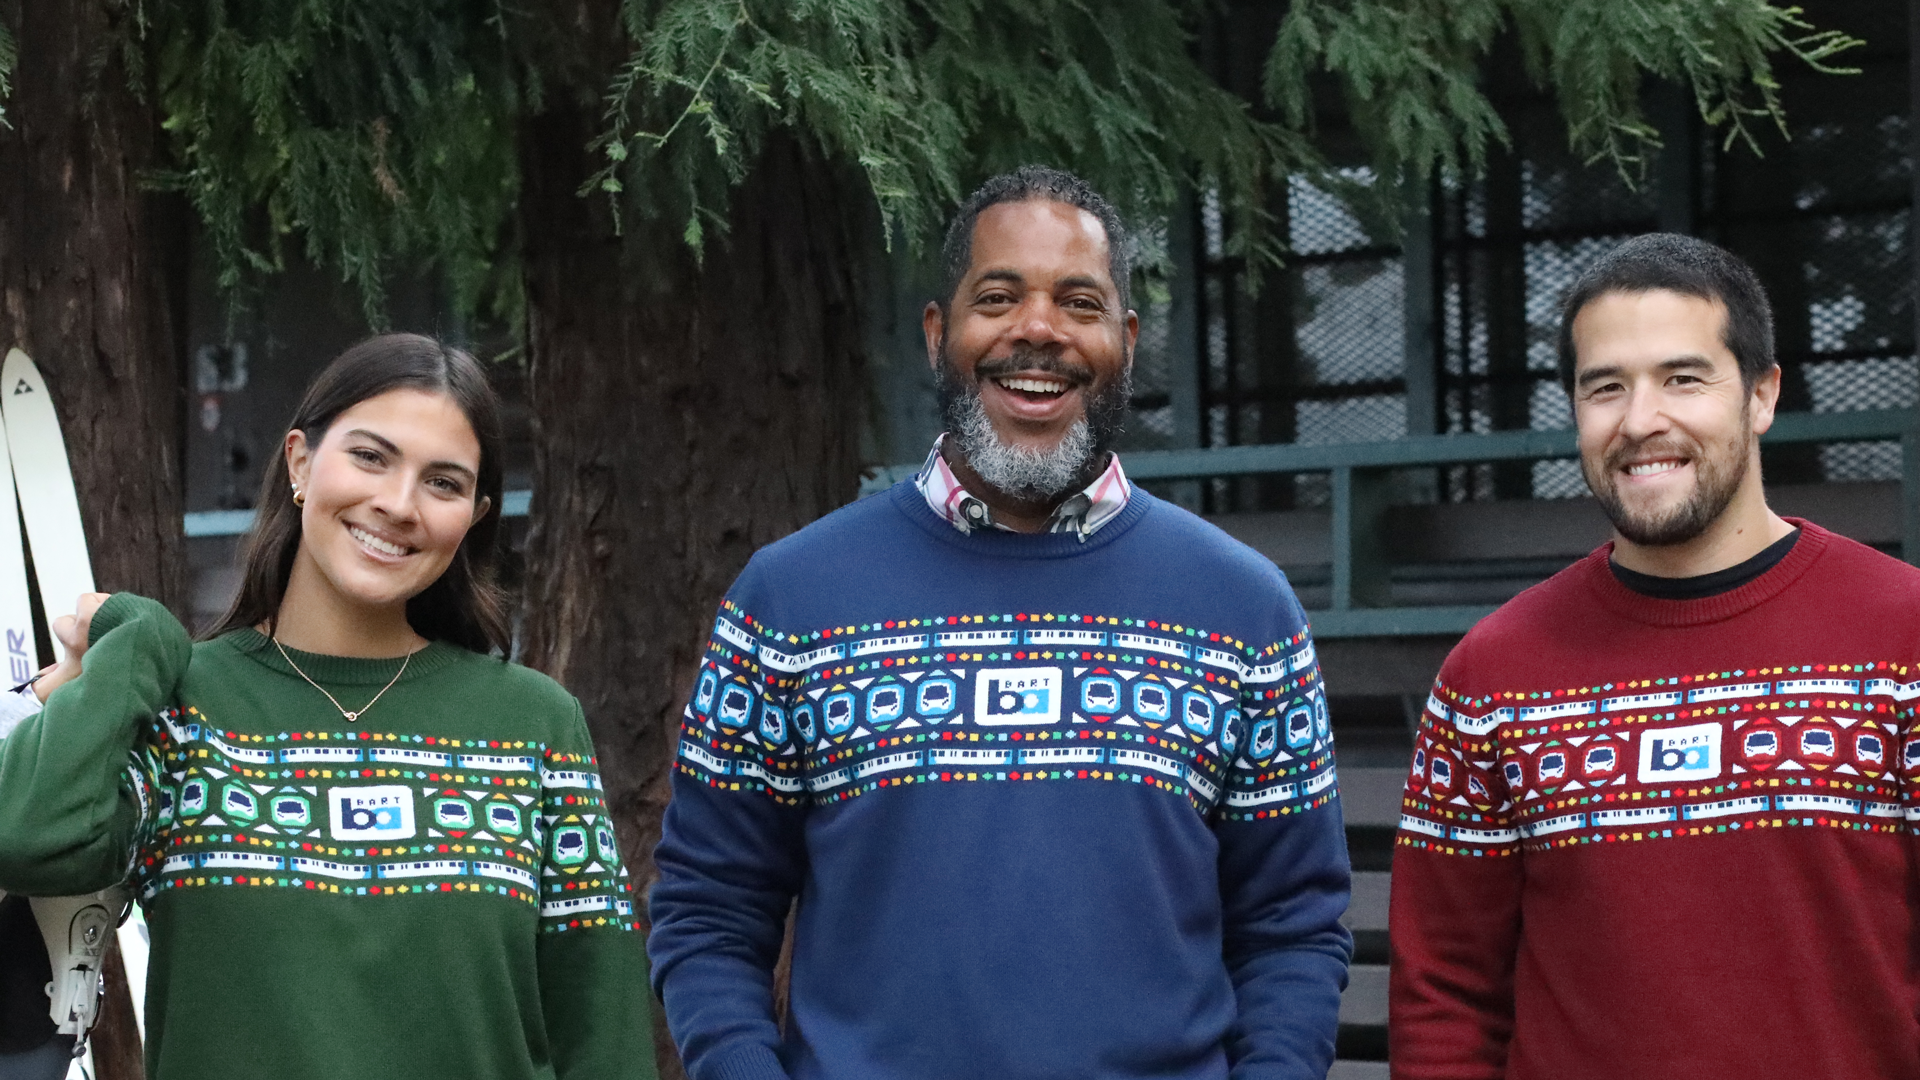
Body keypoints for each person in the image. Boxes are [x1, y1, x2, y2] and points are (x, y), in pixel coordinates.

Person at [647, 166, 1352, 1080]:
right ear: (940, 335)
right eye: (998, 297)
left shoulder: (1246, 612)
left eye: (1079, 302)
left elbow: (1292, 929)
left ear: (1125, 344)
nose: (1038, 331)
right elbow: (708, 909)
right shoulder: (788, 601)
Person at [0, 334, 655, 1079]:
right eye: (371, 457)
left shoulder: (535, 724)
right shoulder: (184, 708)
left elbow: (603, 1035)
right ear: (301, 463)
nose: (398, 504)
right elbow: (26, 838)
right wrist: (138, 638)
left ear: (472, 517)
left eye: (442, 483)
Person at [1388, 234, 1920, 1079]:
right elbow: (1444, 999)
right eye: (1606, 388)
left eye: (1682, 378)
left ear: (1761, 394)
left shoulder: (1905, 639)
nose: (1640, 422)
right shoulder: (1490, 677)